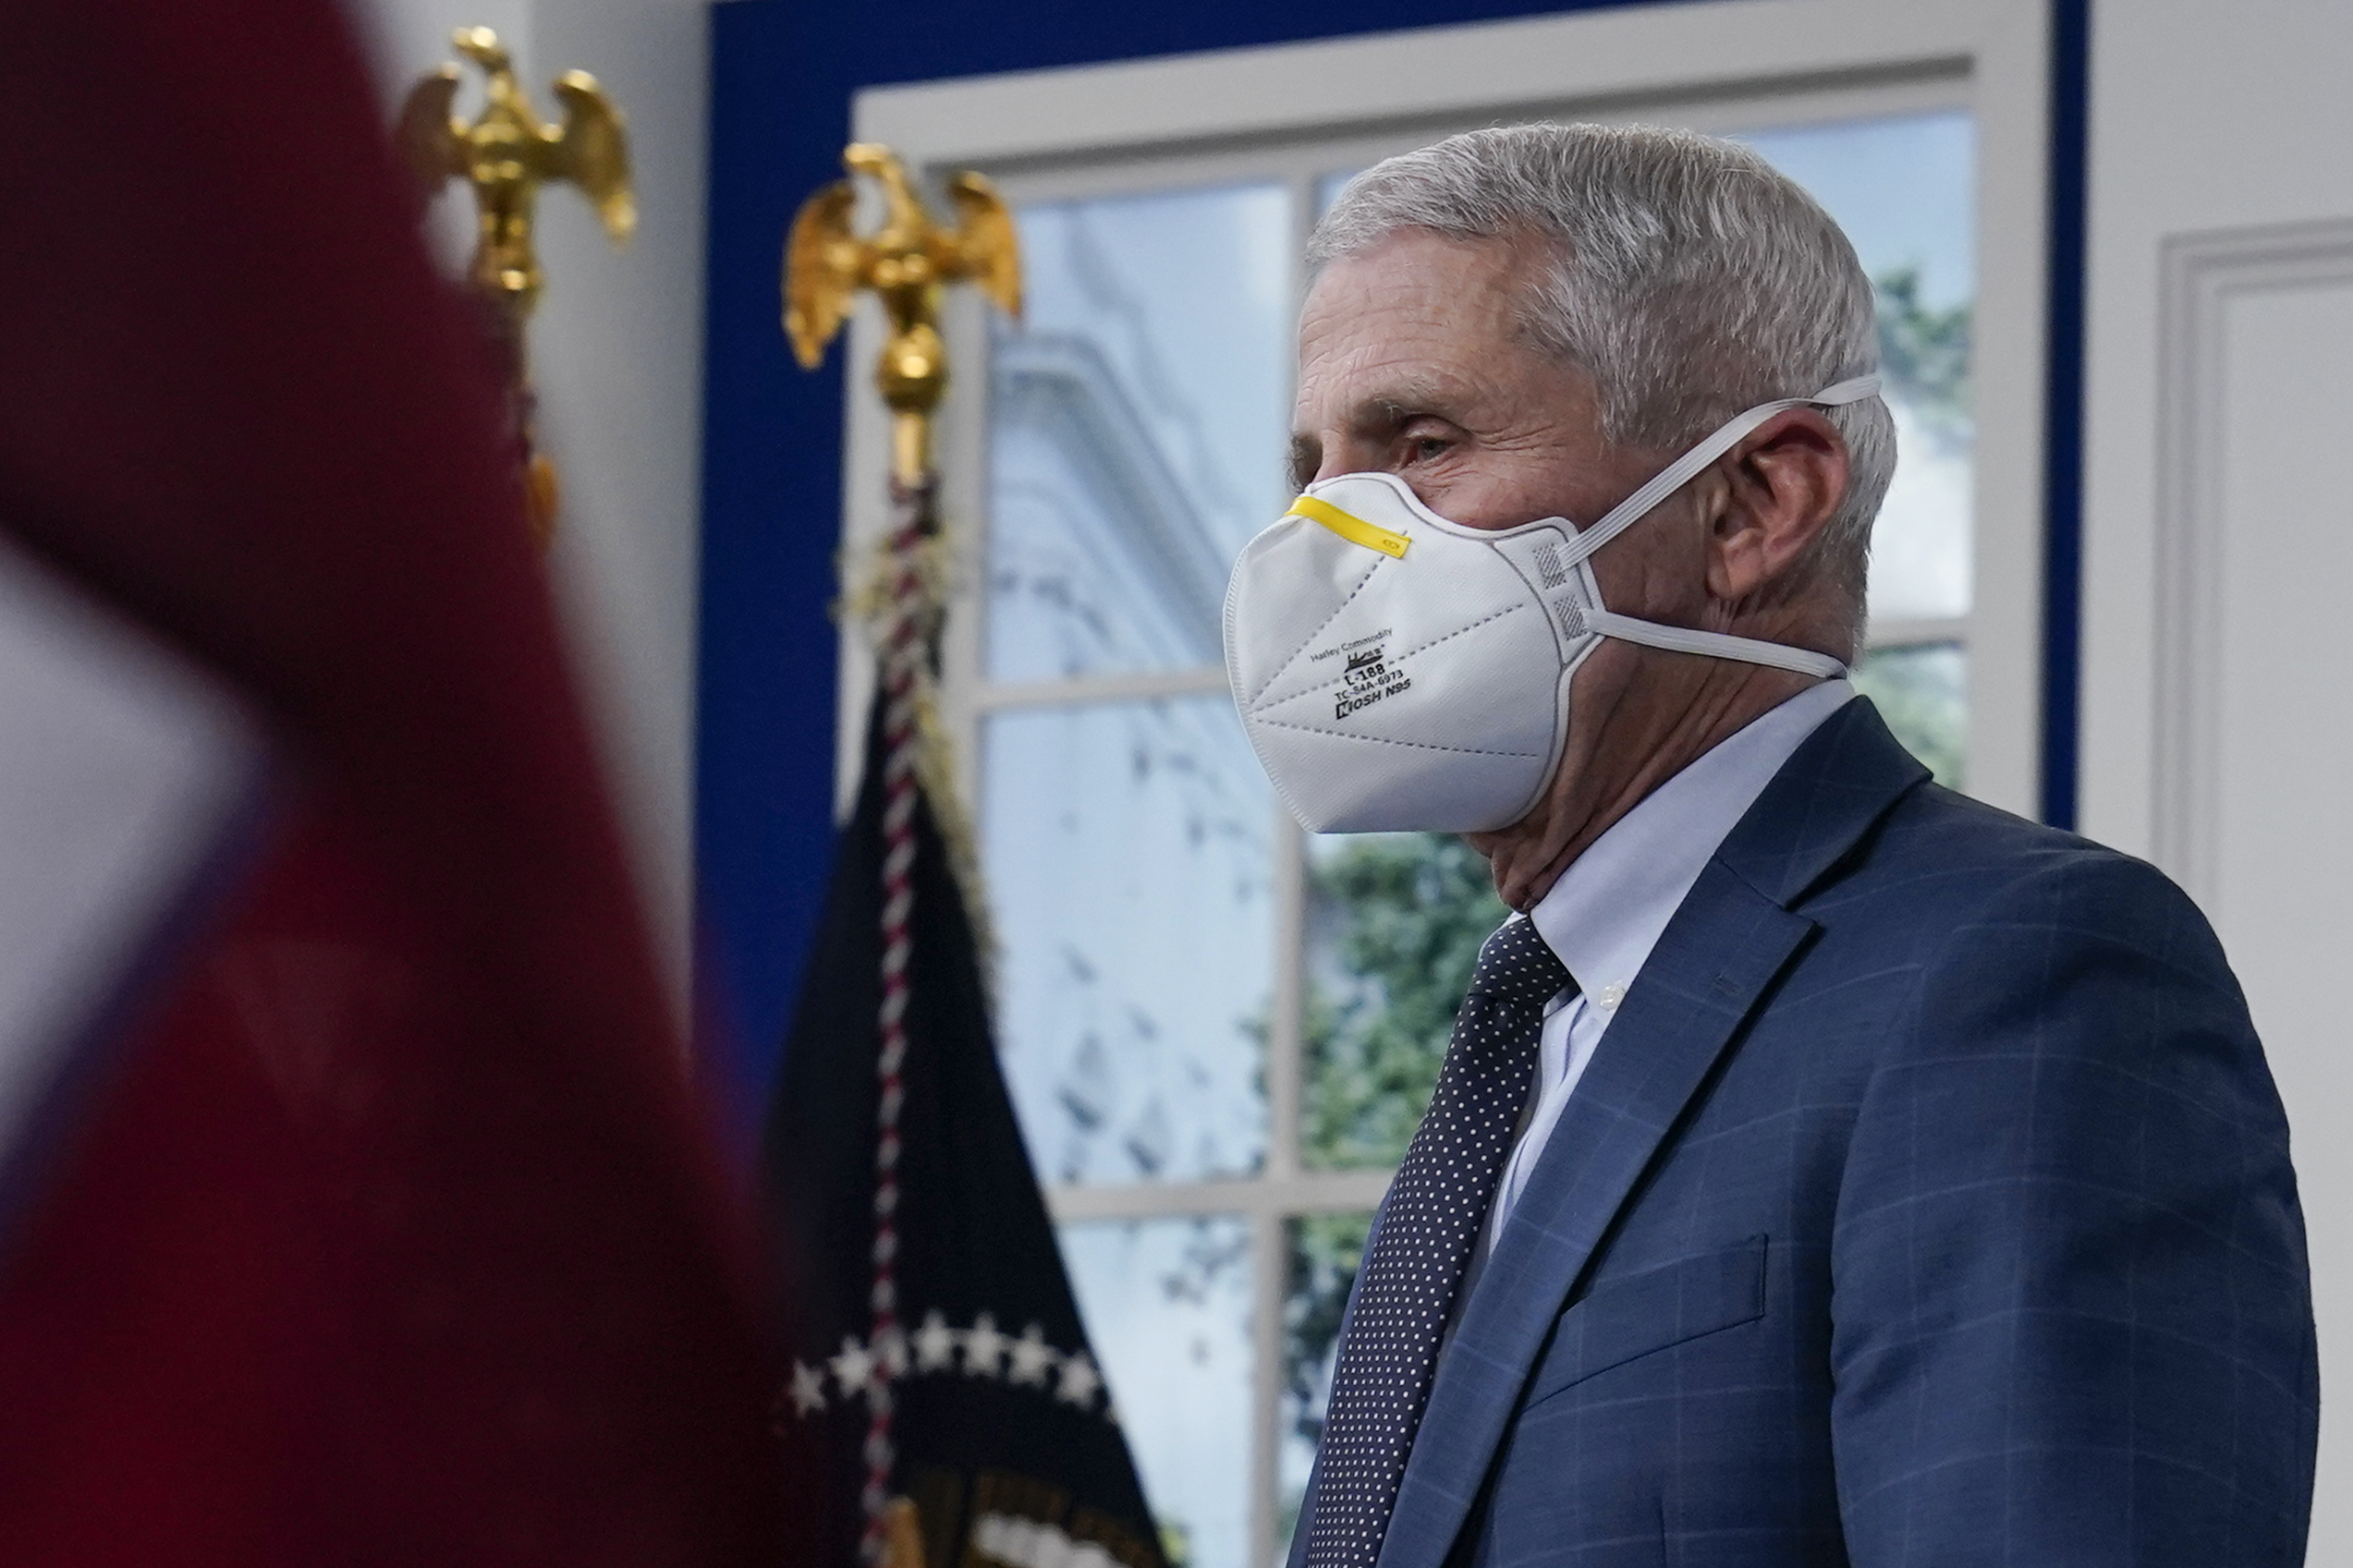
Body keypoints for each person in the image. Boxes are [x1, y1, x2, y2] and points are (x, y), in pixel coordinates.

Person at [1226, 124, 2316, 1567]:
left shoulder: (2024, 975)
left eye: (1422, 446)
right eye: (1315, 463)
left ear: (1754, 506)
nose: (1323, 537)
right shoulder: (1539, 1029)